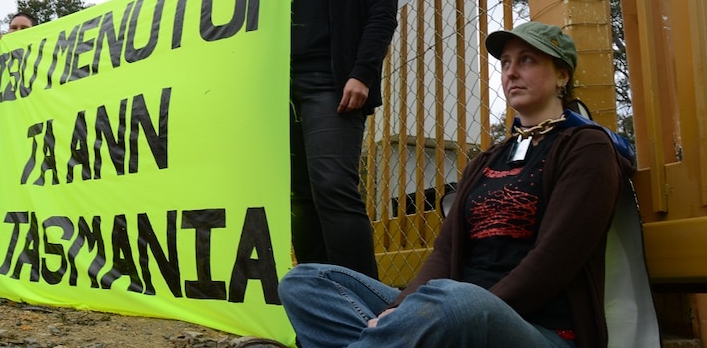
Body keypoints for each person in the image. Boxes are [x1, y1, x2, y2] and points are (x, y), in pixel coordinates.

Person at [279, 21, 660, 348]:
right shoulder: (487, 159)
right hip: (447, 312)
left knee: (454, 301)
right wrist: (400, 312)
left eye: (526, 60)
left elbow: (554, 260)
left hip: (537, 329)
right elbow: (445, 254)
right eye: (506, 62)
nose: (510, 72)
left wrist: (450, 310)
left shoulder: (586, 147)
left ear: (562, 75)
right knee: (306, 281)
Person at [288, 0, 398, 280]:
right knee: (300, 197)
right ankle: (318, 305)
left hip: (332, 85)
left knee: (332, 187)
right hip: (284, 89)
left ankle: (363, 305)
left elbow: (382, 15)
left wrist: (362, 73)